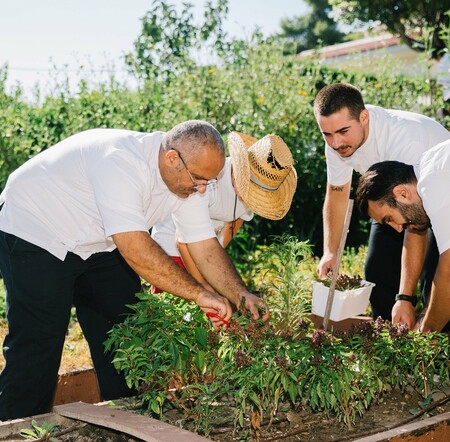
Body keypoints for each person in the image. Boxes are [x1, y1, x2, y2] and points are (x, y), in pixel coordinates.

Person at [0, 120, 269, 421]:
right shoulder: (120, 163)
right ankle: (15, 430)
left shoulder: (187, 183)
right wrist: (199, 294)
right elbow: (136, 250)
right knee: (38, 346)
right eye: (198, 179)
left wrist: (241, 295)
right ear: (172, 159)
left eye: (208, 181)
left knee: (126, 333)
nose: (202, 189)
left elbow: (205, 246)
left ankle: (125, 422)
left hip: (96, 241)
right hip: (36, 229)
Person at [313, 82, 449, 327]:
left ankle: (433, 348)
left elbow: (414, 224)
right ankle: (393, 341)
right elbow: (336, 193)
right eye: (327, 134)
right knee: (377, 273)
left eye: (343, 131)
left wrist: (406, 297)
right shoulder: (337, 141)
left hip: (433, 199)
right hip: (390, 200)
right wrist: (331, 251)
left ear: (364, 117)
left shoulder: (405, 141)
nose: (335, 143)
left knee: (435, 283)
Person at [151, 132, 297, 293]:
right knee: (175, 308)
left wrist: (212, 272)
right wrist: (203, 287)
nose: (252, 196)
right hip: (172, 249)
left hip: (203, 251)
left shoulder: (255, 192)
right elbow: (182, 240)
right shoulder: (208, 180)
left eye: (258, 192)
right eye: (252, 189)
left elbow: (231, 227)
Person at [354, 139, 450, 332]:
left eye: (389, 218)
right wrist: (404, 298)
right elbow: (415, 230)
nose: (397, 228)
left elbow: (448, 273)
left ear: (402, 193)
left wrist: (426, 335)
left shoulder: (433, 187)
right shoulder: (425, 169)